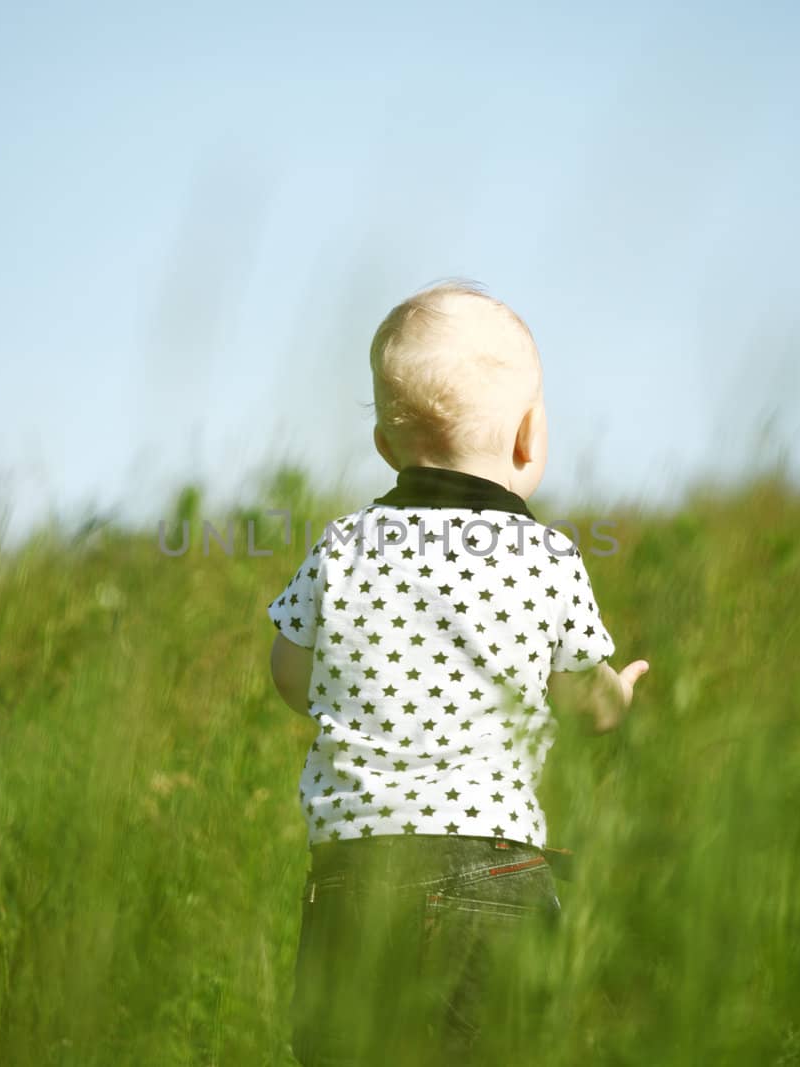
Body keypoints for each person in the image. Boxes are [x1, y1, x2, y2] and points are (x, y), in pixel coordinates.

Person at [266, 280, 648, 1064]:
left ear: (382, 444)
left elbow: (289, 674)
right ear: (528, 439)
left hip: (351, 877)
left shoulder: (343, 545)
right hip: (492, 874)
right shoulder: (547, 559)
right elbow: (587, 700)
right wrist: (619, 695)